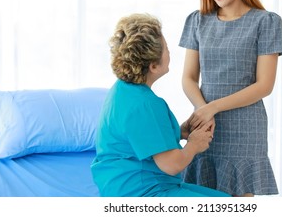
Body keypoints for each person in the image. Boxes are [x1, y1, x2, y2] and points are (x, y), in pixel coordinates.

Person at [178, 0, 282, 197]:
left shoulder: (266, 22)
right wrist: (202, 110)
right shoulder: (197, 21)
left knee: (240, 204)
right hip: (205, 126)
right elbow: (188, 78)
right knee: (200, 198)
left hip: (245, 128)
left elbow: (264, 86)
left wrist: (212, 108)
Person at [91, 13, 230, 197]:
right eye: (166, 48)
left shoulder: (122, 90)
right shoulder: (144, 104)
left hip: (120, 187)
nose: (169, 51)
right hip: (142, 192)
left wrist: (180, 131)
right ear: (153, 67)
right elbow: (171, 165)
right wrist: (194, 144)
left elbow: (141, 137)